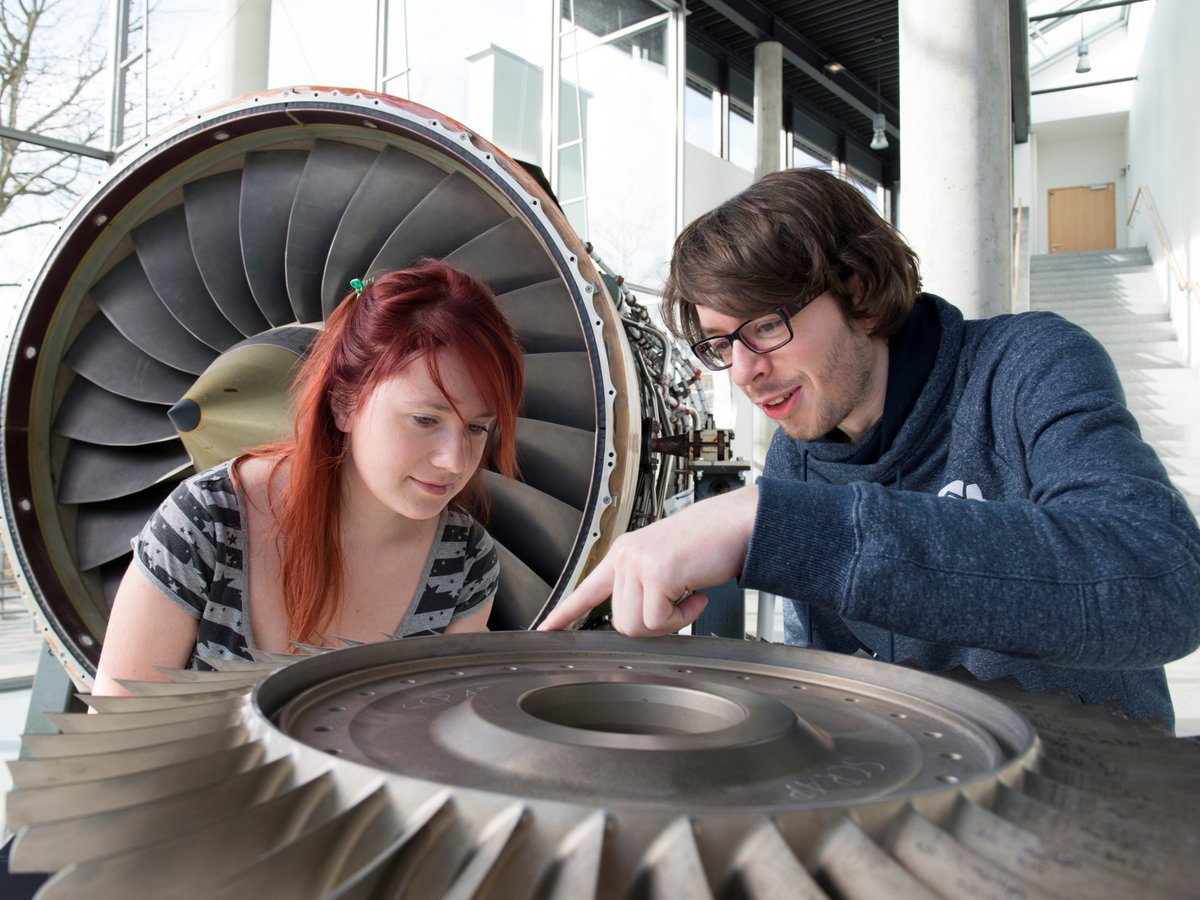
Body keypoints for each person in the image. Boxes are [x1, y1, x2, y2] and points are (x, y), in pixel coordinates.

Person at [541, 167, 1200, 727]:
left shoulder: (1025, 366)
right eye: (720, 345)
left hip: (1097, 808)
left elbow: (1163, 582)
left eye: (765, 325)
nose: (743, 371)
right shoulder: (799, 454)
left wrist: (773, 522)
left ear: (857, 288)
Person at [93, 259, 524, 695]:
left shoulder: (463, 561)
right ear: (343, 403)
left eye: (476, 427)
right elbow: (110, 746)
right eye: (424, 419)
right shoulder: (206, 524)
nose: (455, 461)